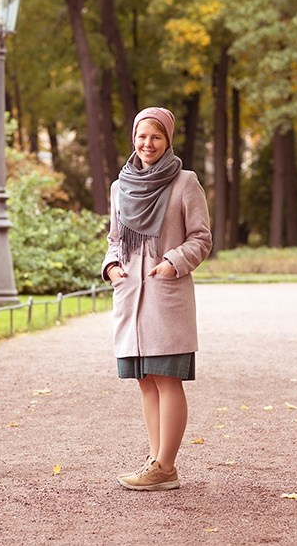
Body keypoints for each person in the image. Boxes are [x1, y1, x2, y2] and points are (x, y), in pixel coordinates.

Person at [101, 106, 212, 491]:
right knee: (145, 381)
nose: (147, 144)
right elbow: (115, 238)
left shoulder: (185, 183)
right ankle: (157, 461)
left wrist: (171, 263)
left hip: (166, 295)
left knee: (167, 379)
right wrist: (112, 267)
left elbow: (201, 238)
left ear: (168, 140)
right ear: (133, 138)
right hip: (131, 297)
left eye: (156, 137)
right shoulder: (120, 186)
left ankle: (166, 465)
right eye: (141, 136)